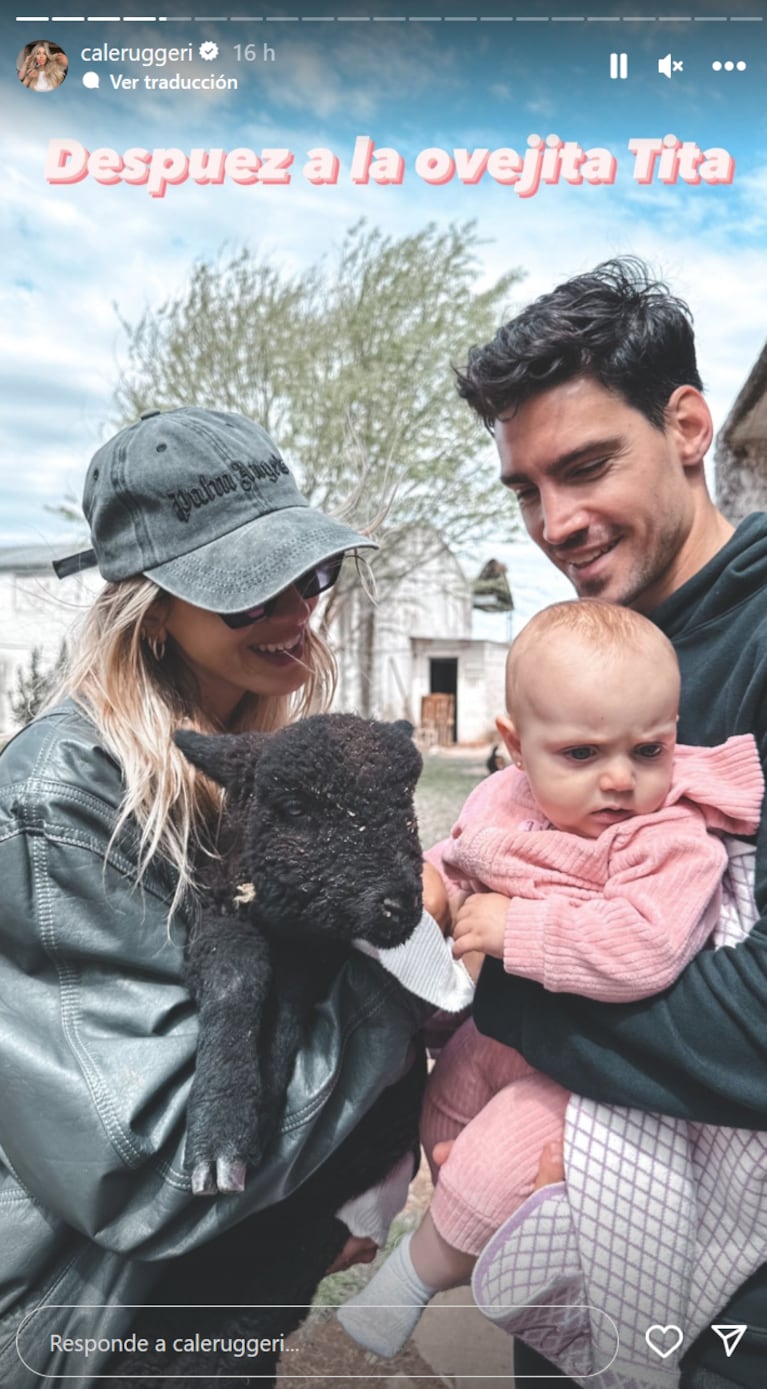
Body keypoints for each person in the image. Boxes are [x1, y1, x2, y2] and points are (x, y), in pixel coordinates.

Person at [0, 406, 460, 1386]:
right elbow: (154, 1167)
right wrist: (408, 970)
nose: (298, 612)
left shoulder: (259, 765)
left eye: (311, 573)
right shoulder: (61, 804)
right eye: (249, 593)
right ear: (149, 605)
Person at [453, 259, 767, 1388]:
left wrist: (498, 966)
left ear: (685, 423)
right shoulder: (579, 659)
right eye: (526, 490)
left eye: (585, 467)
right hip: (570, 1288)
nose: (555, 524)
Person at [337, 599, 763, 1362]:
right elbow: (458, 855)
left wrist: (518, 931)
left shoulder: (669, 837)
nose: (620, 779)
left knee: (510, 1142)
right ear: (515, 746)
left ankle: (416, 1271)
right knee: (439, 1101)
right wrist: (427, 891)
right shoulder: (503, 800)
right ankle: (398, 1199)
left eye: (649, 750)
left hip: (595, 1072)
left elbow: (646, 946)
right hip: (496, 1032)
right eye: (580, 753)